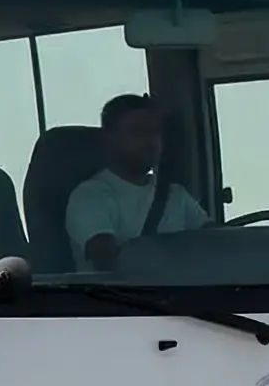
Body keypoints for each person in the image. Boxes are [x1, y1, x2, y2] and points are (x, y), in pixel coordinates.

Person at [67, 92, 209, 270]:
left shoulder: (176, 196)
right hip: (117, 297)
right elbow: (108, 259)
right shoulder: (90, 197)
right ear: (110, 139)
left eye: (155, 132)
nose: (151, 141)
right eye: (138, 131)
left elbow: (213, 241)